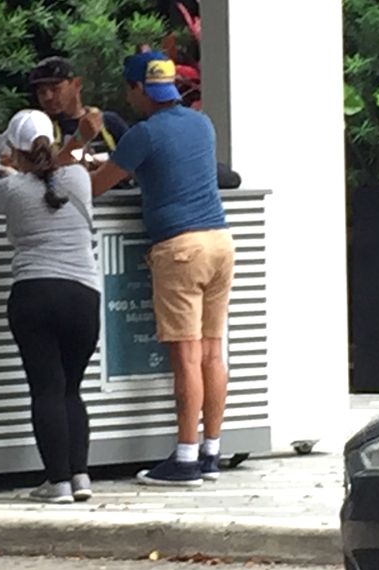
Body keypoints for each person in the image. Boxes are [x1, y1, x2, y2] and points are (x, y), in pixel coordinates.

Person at [88, 51, 236, 487]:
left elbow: (94, 188)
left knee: (187, 356)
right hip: (220, 243)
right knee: (213, 351)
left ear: (137, 89)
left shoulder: (143, 134)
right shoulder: (201, 123)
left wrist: (80, 153)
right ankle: (211, 451)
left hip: (180, 249)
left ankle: (185, 458)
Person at [0, 109, 100, 503]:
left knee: (46, 390)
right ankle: (80, 478)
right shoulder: (78, 179)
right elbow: (58, 173)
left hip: (35, 295)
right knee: (71, 389)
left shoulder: (13, 189)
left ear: (14, 149)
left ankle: (56, 483)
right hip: (83, 297)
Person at [29, 56, 129, 164]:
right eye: (41, 92)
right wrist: (79, 138)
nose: (48, 97)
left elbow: (139, 164)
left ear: (77, 84)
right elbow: (39, 175)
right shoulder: (37, 130)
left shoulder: (108, 122)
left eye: (55, 89)